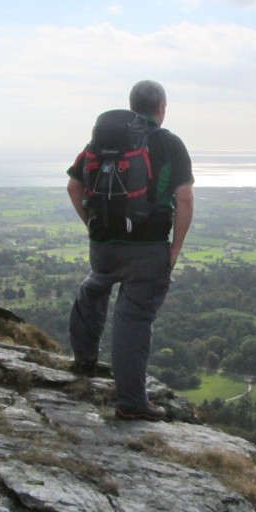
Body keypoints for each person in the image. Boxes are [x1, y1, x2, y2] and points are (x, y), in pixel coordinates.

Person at [66, 79, 194, 421]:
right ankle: (132, 403)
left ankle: (84, 361)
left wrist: (92, 225)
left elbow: (73, 186)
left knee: (95, 288)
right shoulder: (168, 143)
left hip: (103, 245)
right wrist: (175, 249)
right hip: (148, 248)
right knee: (133, 318)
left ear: (131, 104)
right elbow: (184, 199)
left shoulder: (102, 141)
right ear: (161, 108)